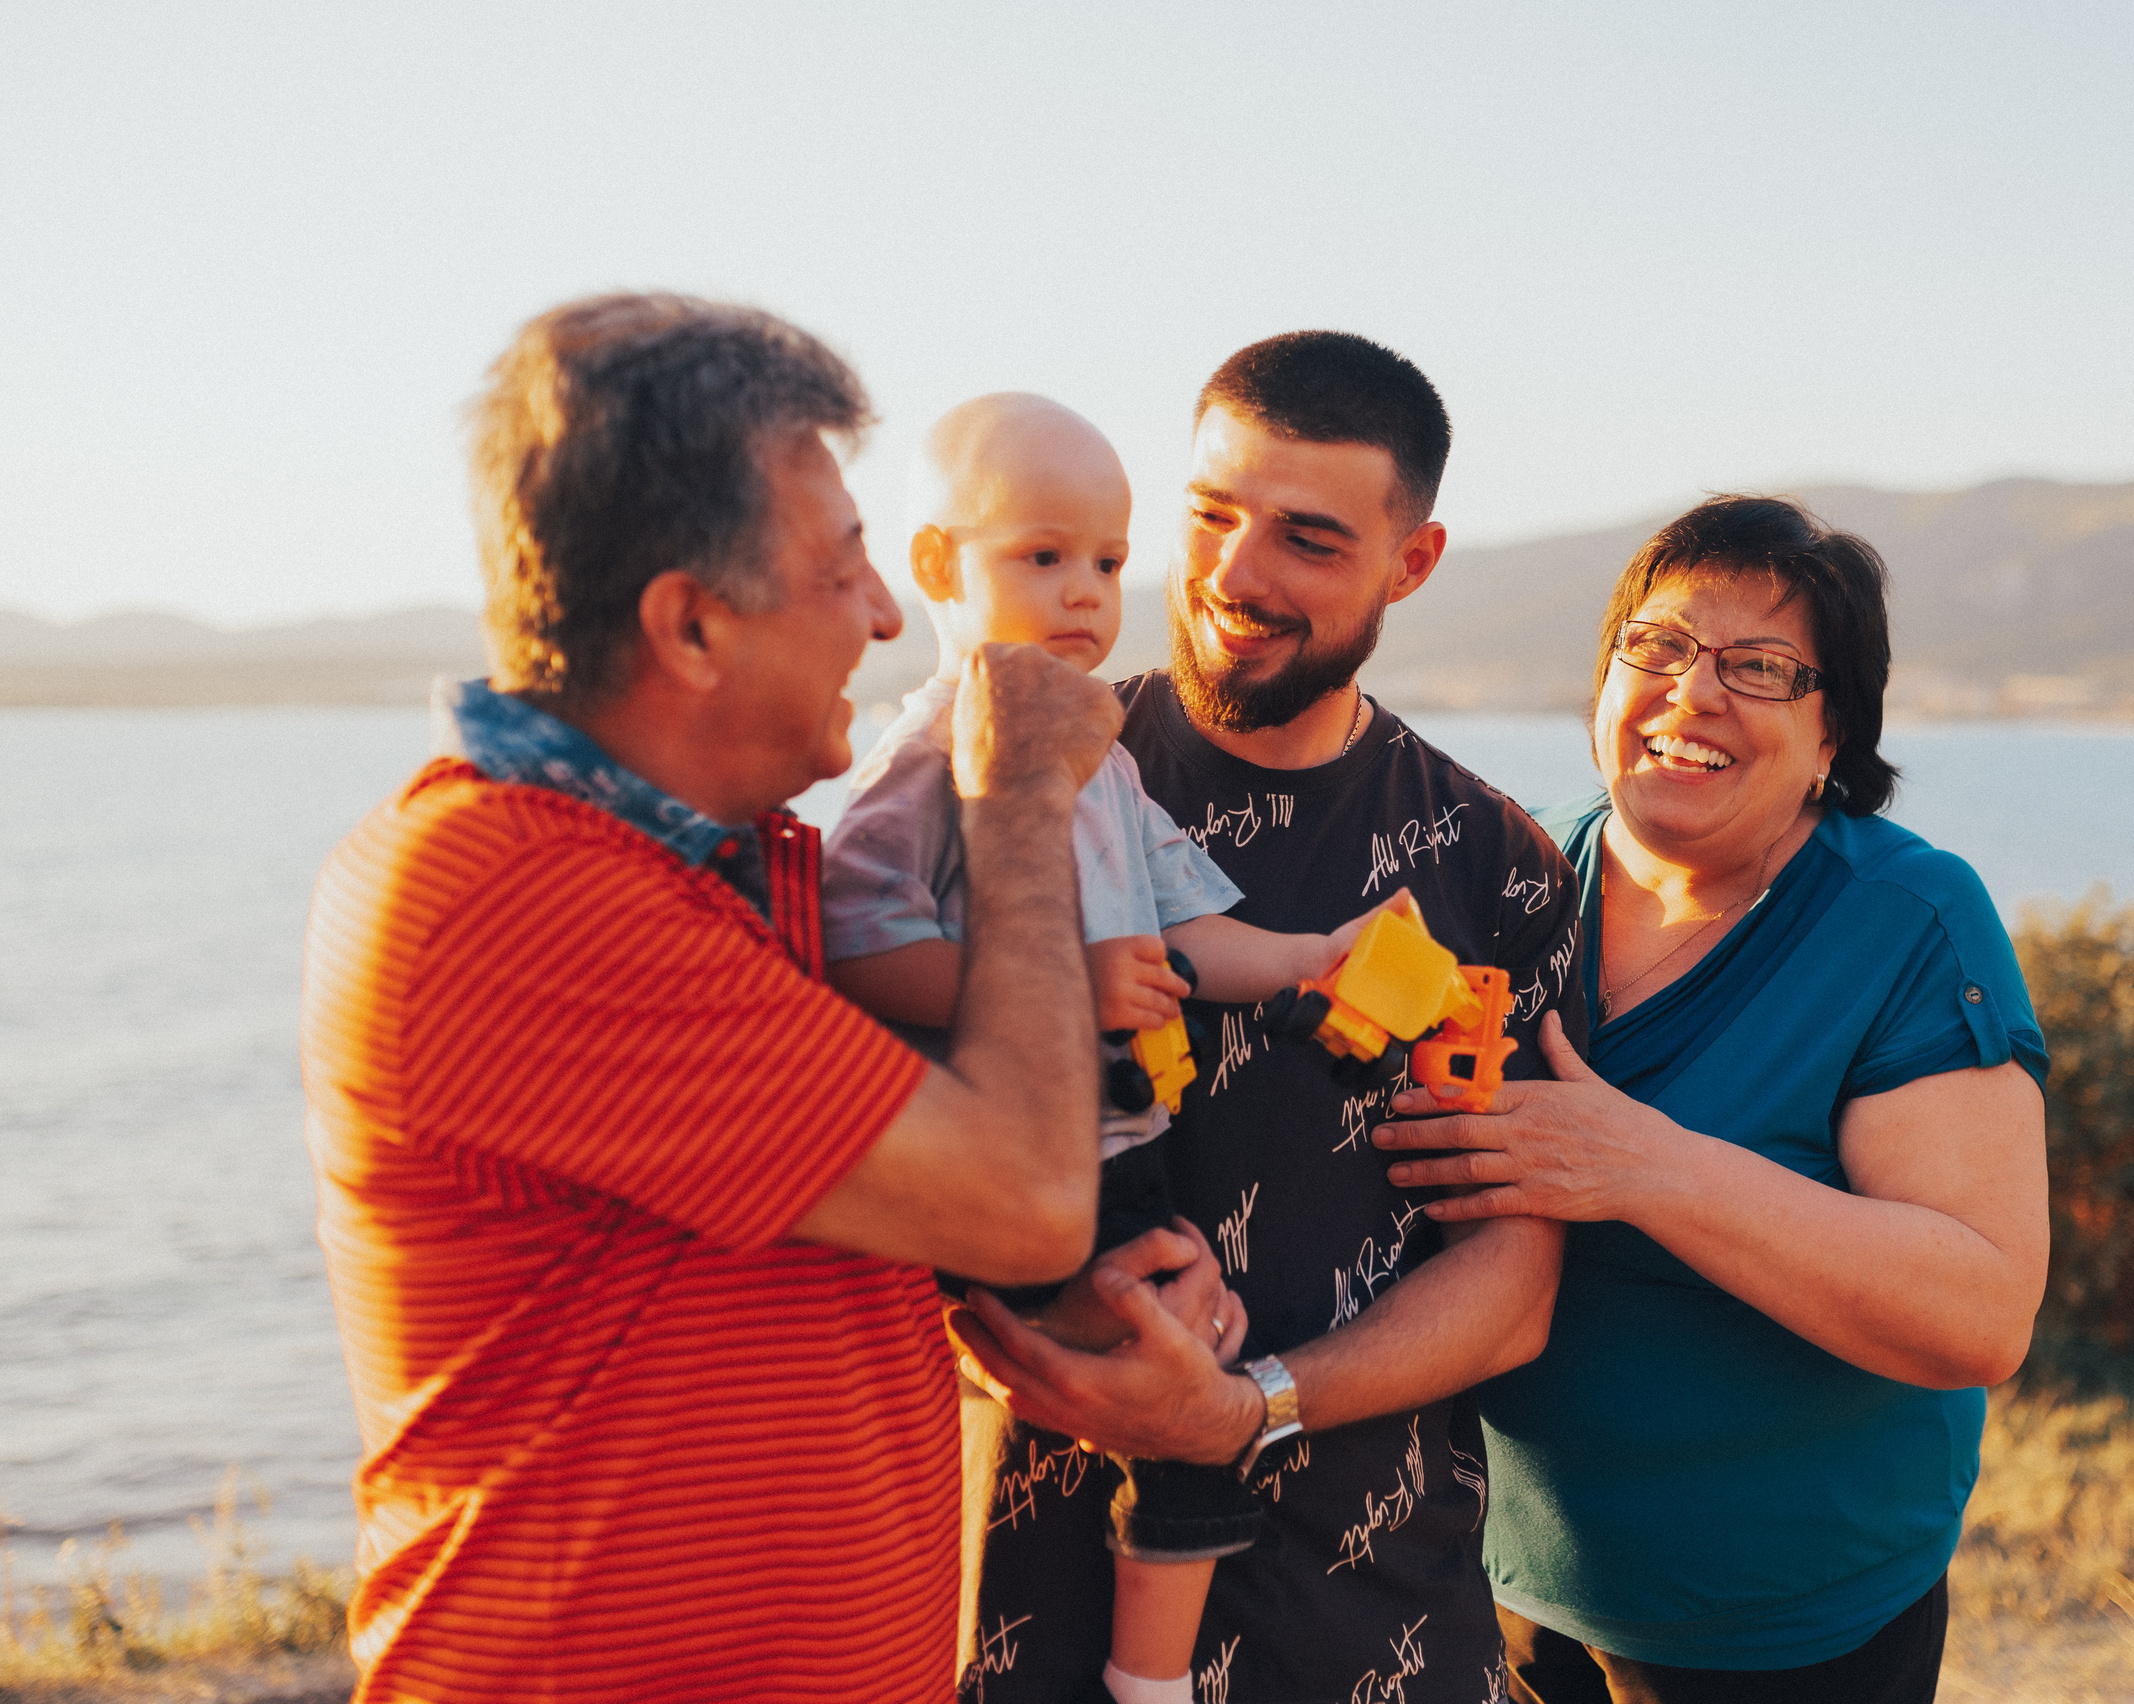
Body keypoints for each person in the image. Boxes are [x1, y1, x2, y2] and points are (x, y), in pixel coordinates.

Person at [300, 294, 1140, 1703]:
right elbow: (1024, 1194)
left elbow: (801, 1253)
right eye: (845, 569)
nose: (886, 620)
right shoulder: (506, 891)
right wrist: (1015, 795)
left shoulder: (710, 874)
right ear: (691, 628)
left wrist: (1065, 1310)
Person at [948, 331, 1589, 1704]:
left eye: (1305, 537)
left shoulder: (1494, 860)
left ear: (1409, 564)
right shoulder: (1016, 778)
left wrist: (1248, 1405)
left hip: (1374, 1626)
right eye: (1211, 518)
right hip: (1025, 1605)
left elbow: (1515, 1288)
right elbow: (880, 1146)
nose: (1237, 576)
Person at [1369, 497, 2051, 1704]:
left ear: (1835, 732)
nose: (1694, 692)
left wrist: (1645, 1166)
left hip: (1790, 1633)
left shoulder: (1905, 922)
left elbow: (1980, 1314)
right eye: (1659, 646)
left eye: (1760, 668)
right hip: (1500, 1591)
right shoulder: (1509, 881)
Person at [819, 391, 1395, 1704]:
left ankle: (1143, 1673)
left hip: (1126, 1153)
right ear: (936, 569)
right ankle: (1148, 1687)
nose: (1086, 592)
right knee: (1179, 1393)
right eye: (1041, 556)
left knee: (1194, 1399)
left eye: (1109, 561)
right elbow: (855, 939)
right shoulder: (930, 756)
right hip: (1012, 1160)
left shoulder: (1107, 759)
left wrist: (1317, 958)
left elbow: (1194, 927)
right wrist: (1057, 980)